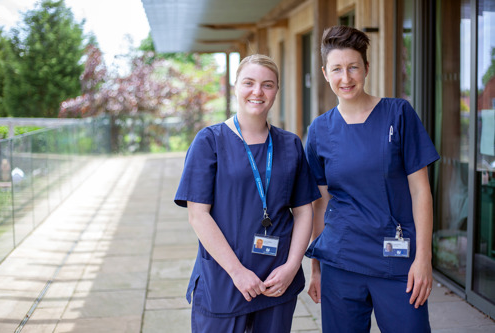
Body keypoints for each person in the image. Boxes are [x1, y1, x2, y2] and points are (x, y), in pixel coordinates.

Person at [305, 26, 440, 333]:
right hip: (340, 262)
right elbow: (320, 203)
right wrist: (316, 266)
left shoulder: (399, 114)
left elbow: (421, 192)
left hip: (397, 260)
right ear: (325, 73)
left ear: (366, 67)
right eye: (337, 69)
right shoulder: (319, 130)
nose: (346, 78)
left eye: (353, 67)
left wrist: (423, 259)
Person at [175, 54, 321, 332]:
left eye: (267, 85)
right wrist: (238, 272)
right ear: (235, 87)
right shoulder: (209, 141)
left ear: (277, 90)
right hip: (225, 280)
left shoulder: (290, 144)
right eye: (249, 83)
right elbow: (198, 216)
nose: (257, 91)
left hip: (277, 280)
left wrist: (292, 266)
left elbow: (304, 211)